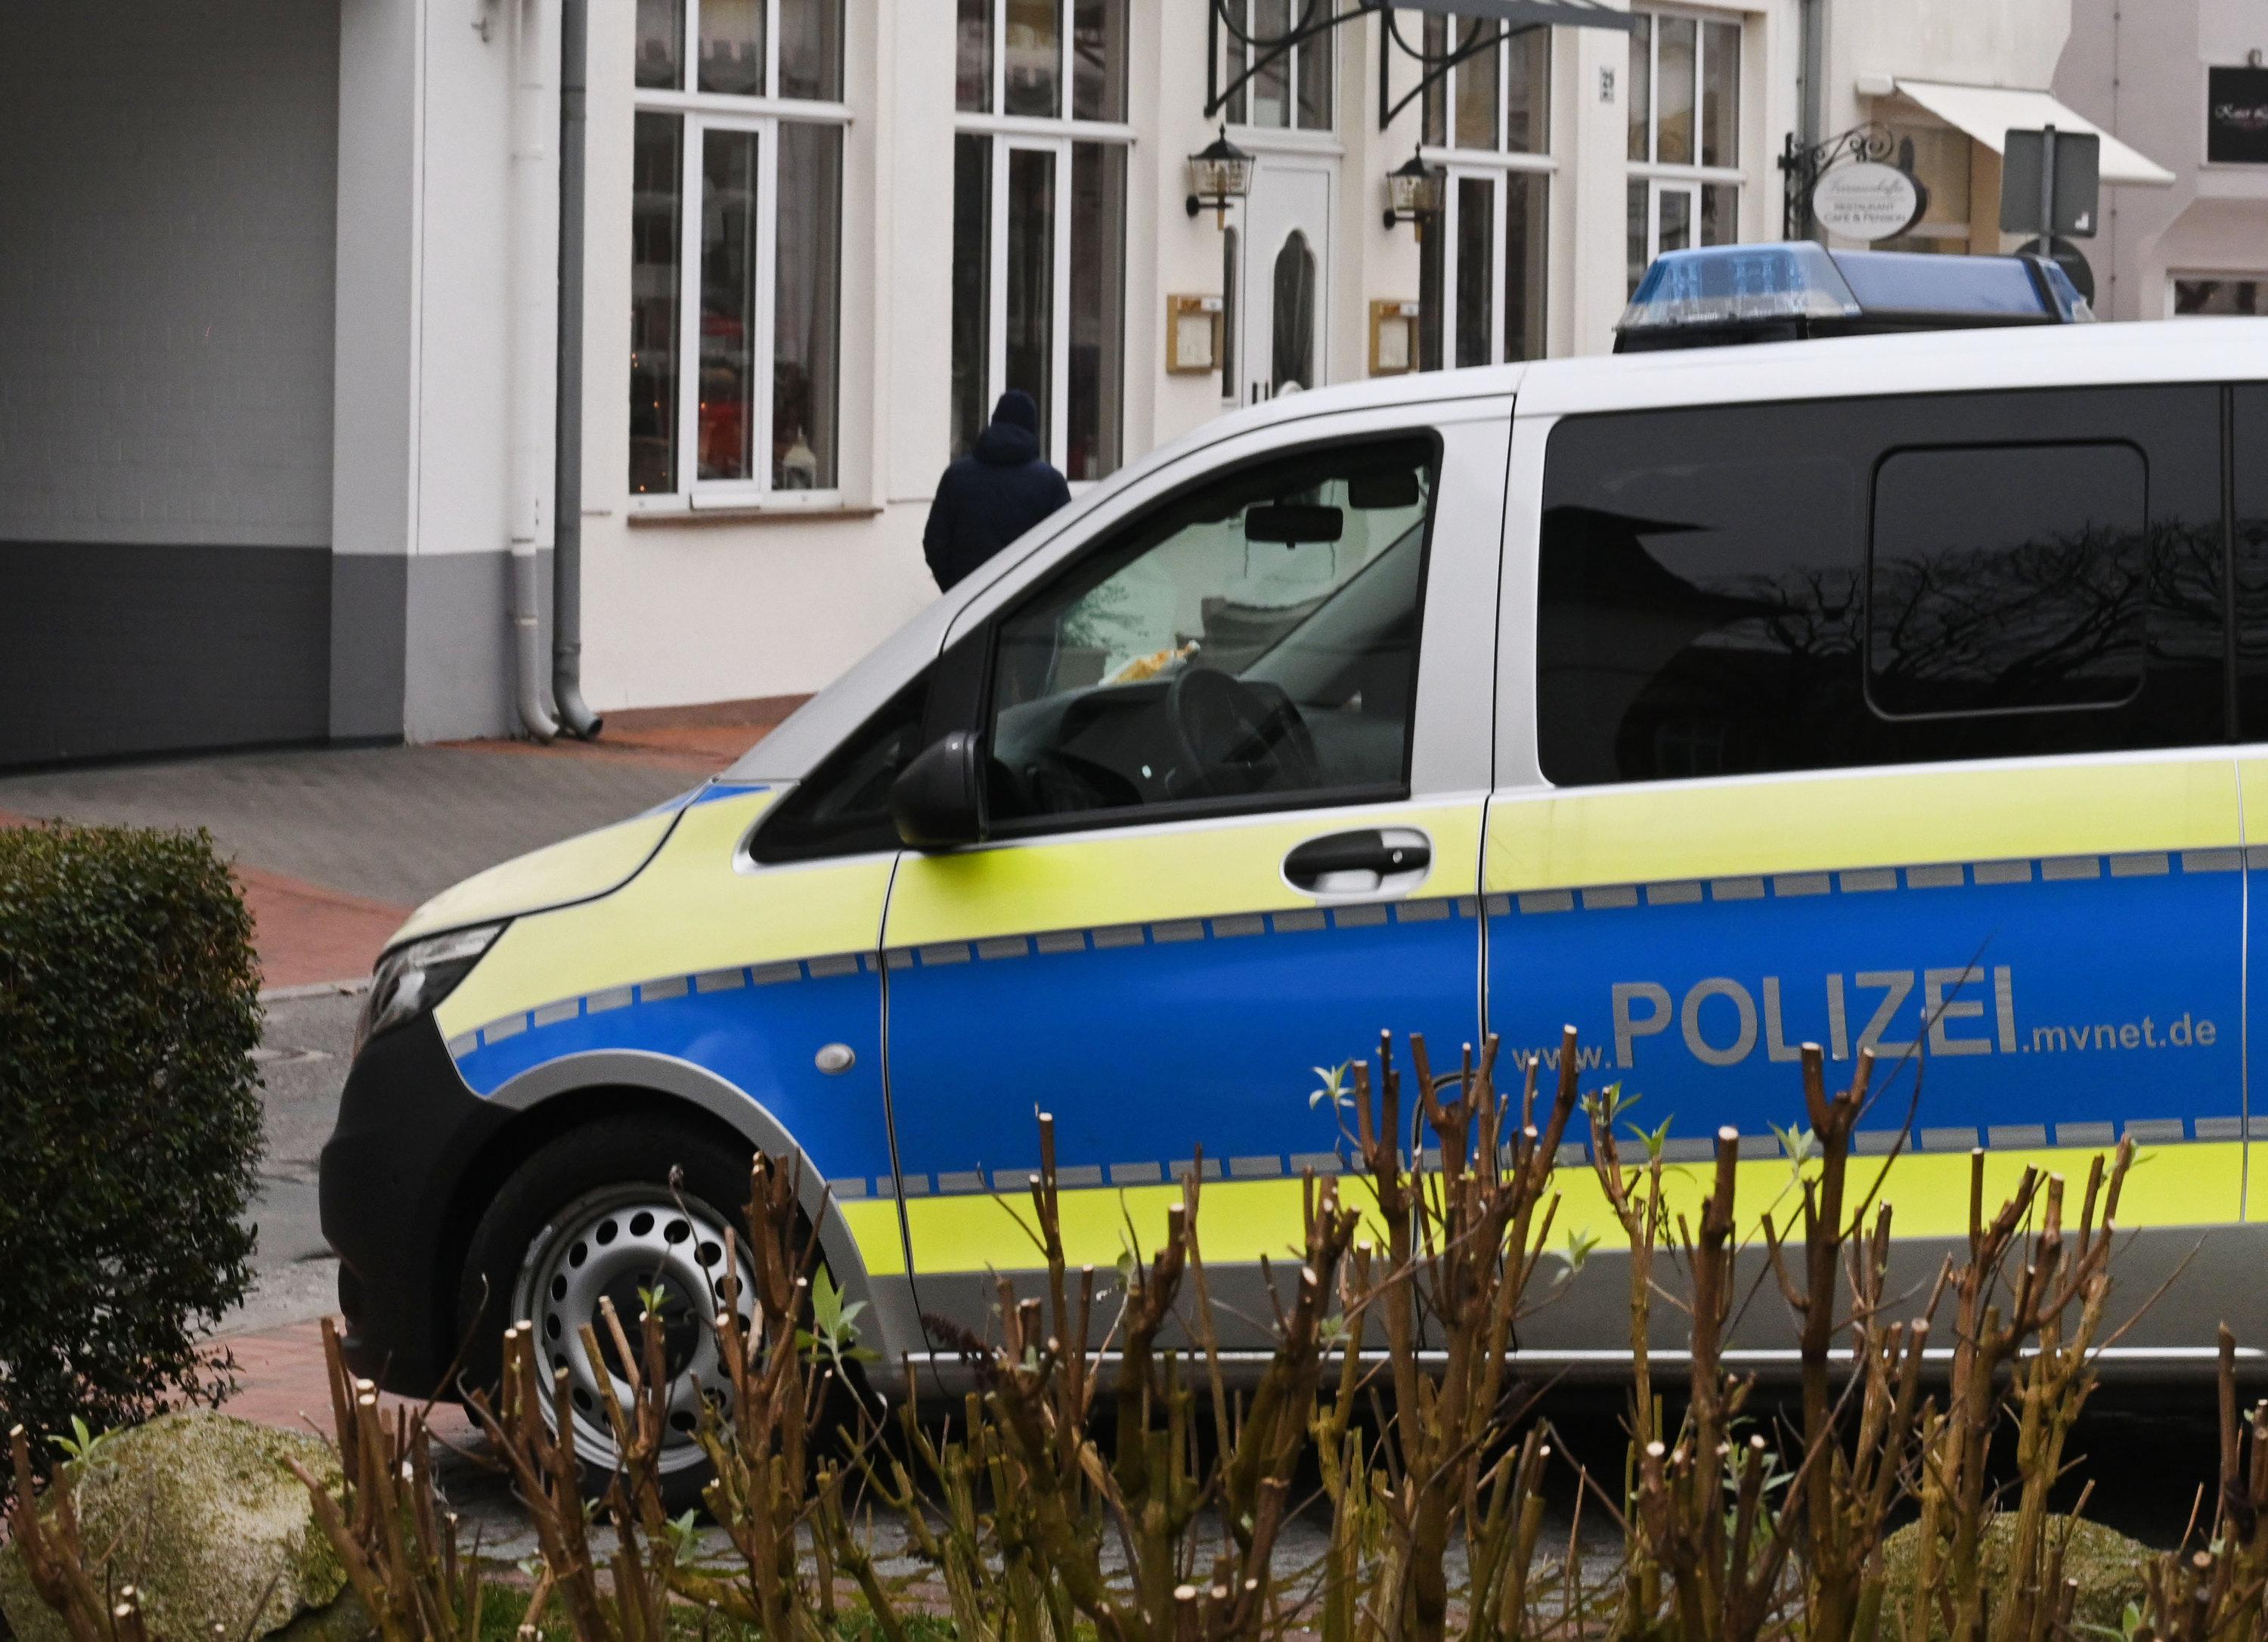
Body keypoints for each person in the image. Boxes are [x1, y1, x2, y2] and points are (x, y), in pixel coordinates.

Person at [923, 389, 1071, 592]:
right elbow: (1065, 548)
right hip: (1027, 606)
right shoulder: (1051, 482)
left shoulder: (956, 475)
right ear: (1032, 428)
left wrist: (954, 590)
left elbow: (935, 543)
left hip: (967, 603)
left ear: (994, 422)